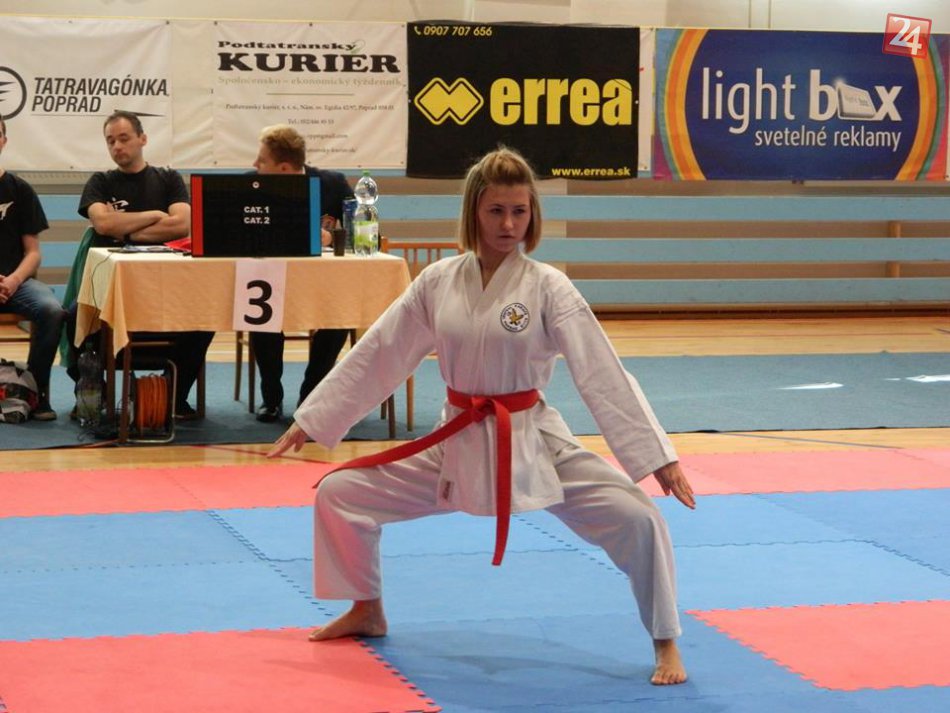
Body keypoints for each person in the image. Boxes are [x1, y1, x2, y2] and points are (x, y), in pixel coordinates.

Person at [268, 147, 695, 686]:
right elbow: (381, 352)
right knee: (340, 493)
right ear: (474, 212)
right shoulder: (438, 281)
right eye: (496, 211)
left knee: (639, 517)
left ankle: (665, 640)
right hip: (456, 440)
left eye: (520, 211)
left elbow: (601, 371)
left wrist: (657, 457)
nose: (509, 224)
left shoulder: (548, 286)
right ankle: (366, 608)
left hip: (533, 441)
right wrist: (314, 418)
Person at [66, 110, 213, 418]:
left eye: (124, 138)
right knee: (72, 316)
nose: (117, 146)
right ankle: (97, 394)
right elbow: (103, 224)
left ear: (142, 139)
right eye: (110, 141)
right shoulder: (100, 182)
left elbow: (182, 225)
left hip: (166, 287)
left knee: (205, 318)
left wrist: (126, 230)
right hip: (111, 290)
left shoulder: (168, 179)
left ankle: (173, 394)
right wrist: (155, 216)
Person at [249, 124, 355, 422]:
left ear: (283, 168)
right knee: (259, 315)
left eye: (261, 161)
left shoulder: (333, 184)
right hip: (270, 281)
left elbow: (365, 229)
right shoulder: (249, 184)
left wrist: (331, 237)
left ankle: (310, 395)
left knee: (340, 318)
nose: (255, 165)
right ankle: (271, 397)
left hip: (321, 283)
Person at [0, 116, 67, 420]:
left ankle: (35, 393)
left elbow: (33, 253)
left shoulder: (21, 190)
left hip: (18, 284)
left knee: (52, 311)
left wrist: (13, 280)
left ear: (4, 141)